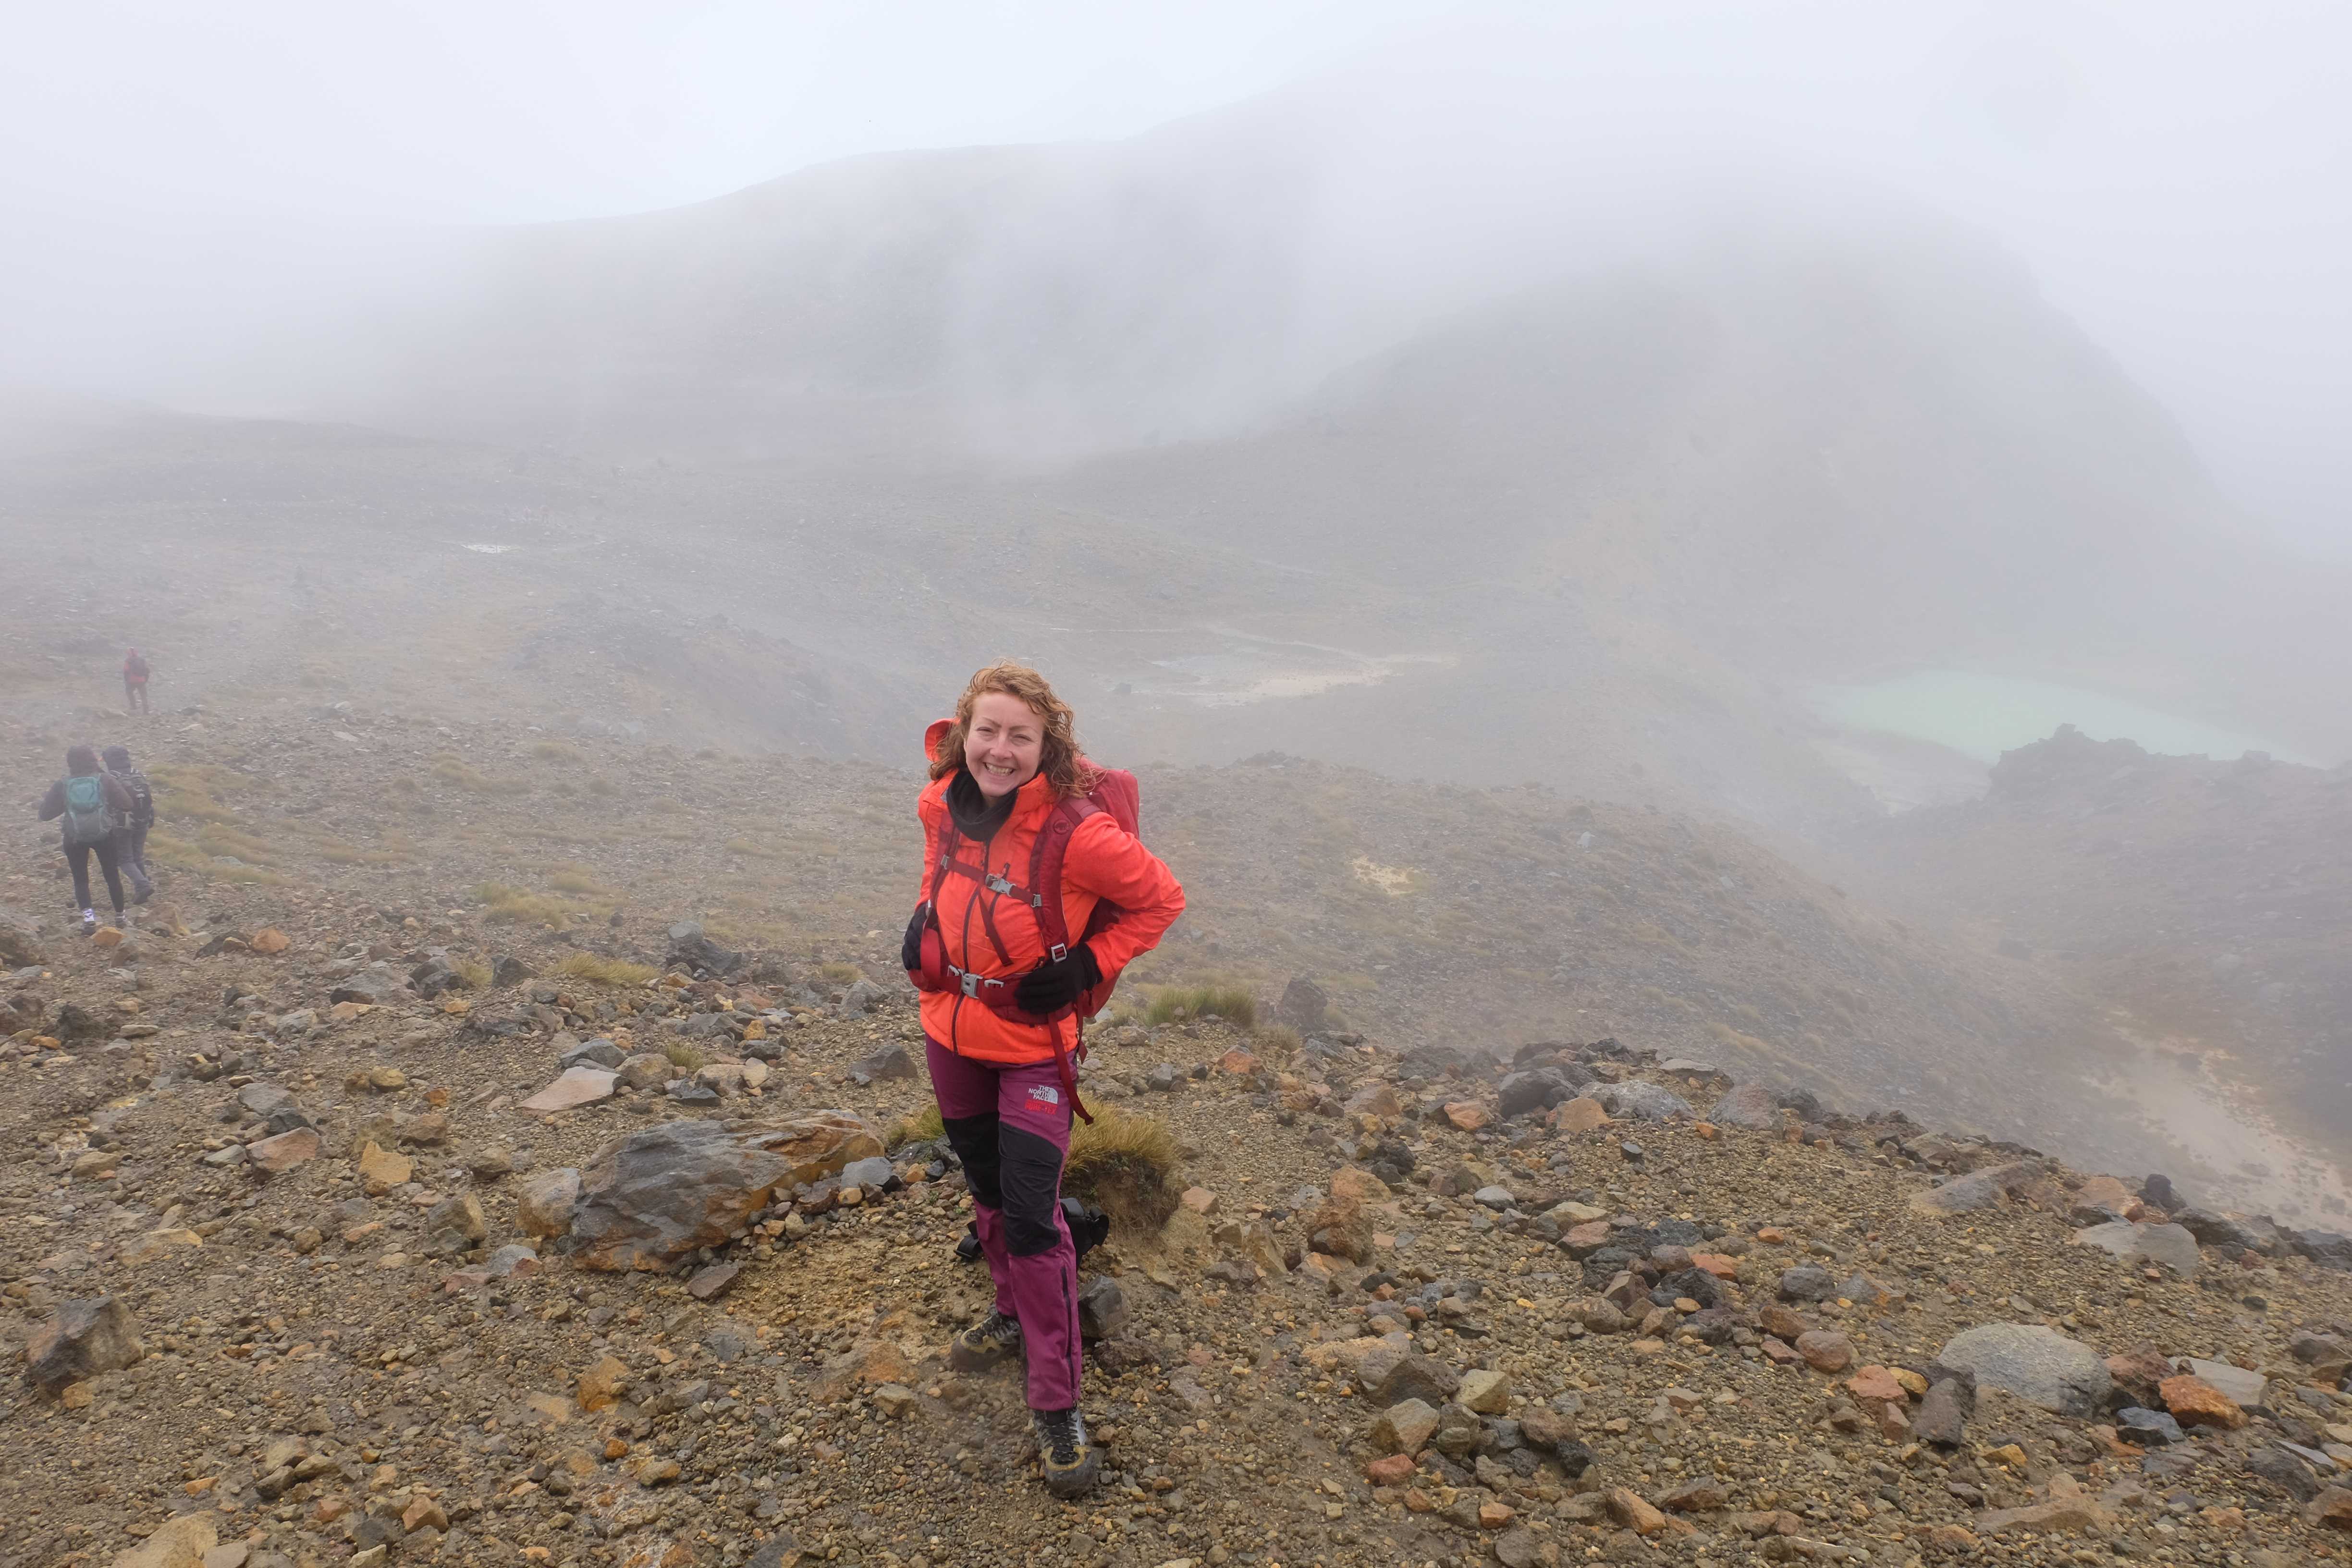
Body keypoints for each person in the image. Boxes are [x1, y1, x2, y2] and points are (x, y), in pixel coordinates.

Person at [904, 662, 1183, 1497]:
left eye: (1019, 736)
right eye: (987, 731)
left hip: (1033, 1045)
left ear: (1045, 745)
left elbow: (1161, 899)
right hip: (950, 1028)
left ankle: (1056, 1402)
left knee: (1033, 1216)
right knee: (987, 1188)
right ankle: (1008, 1311)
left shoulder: (1078, 834)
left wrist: (1091, 963)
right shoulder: (940, 801)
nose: (999, 749)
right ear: (964, 732)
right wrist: (921, 920)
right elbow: (937, 867)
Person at [38, 745, 136, 934]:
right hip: (105, 834)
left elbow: (45, 815)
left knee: (81, 879)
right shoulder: (105, 779)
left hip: (74, 837)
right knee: (112, 875)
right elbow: (127, 804)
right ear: (92, 759)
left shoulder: (63, 784)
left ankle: (89, 920)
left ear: (70, 763)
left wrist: (68, 805)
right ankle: (120, 918)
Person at [102, 745, 156, 904]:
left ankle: (143, 885)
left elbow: (105, 803)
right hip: (143, 820)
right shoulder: (137, 773)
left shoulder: (110, 778)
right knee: (137, 856)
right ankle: (142, 890)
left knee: (124, 860)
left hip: (122, 824)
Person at [122, 649, 150, 715]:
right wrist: (145, 679)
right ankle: (146, 711)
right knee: (144, 695)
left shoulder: (128, 661)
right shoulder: (142, 660)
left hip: (131, 681)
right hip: (142, 680)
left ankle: (133, 705)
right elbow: (147, 670)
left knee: (129, 692)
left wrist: (127, 680)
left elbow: (126, 671)